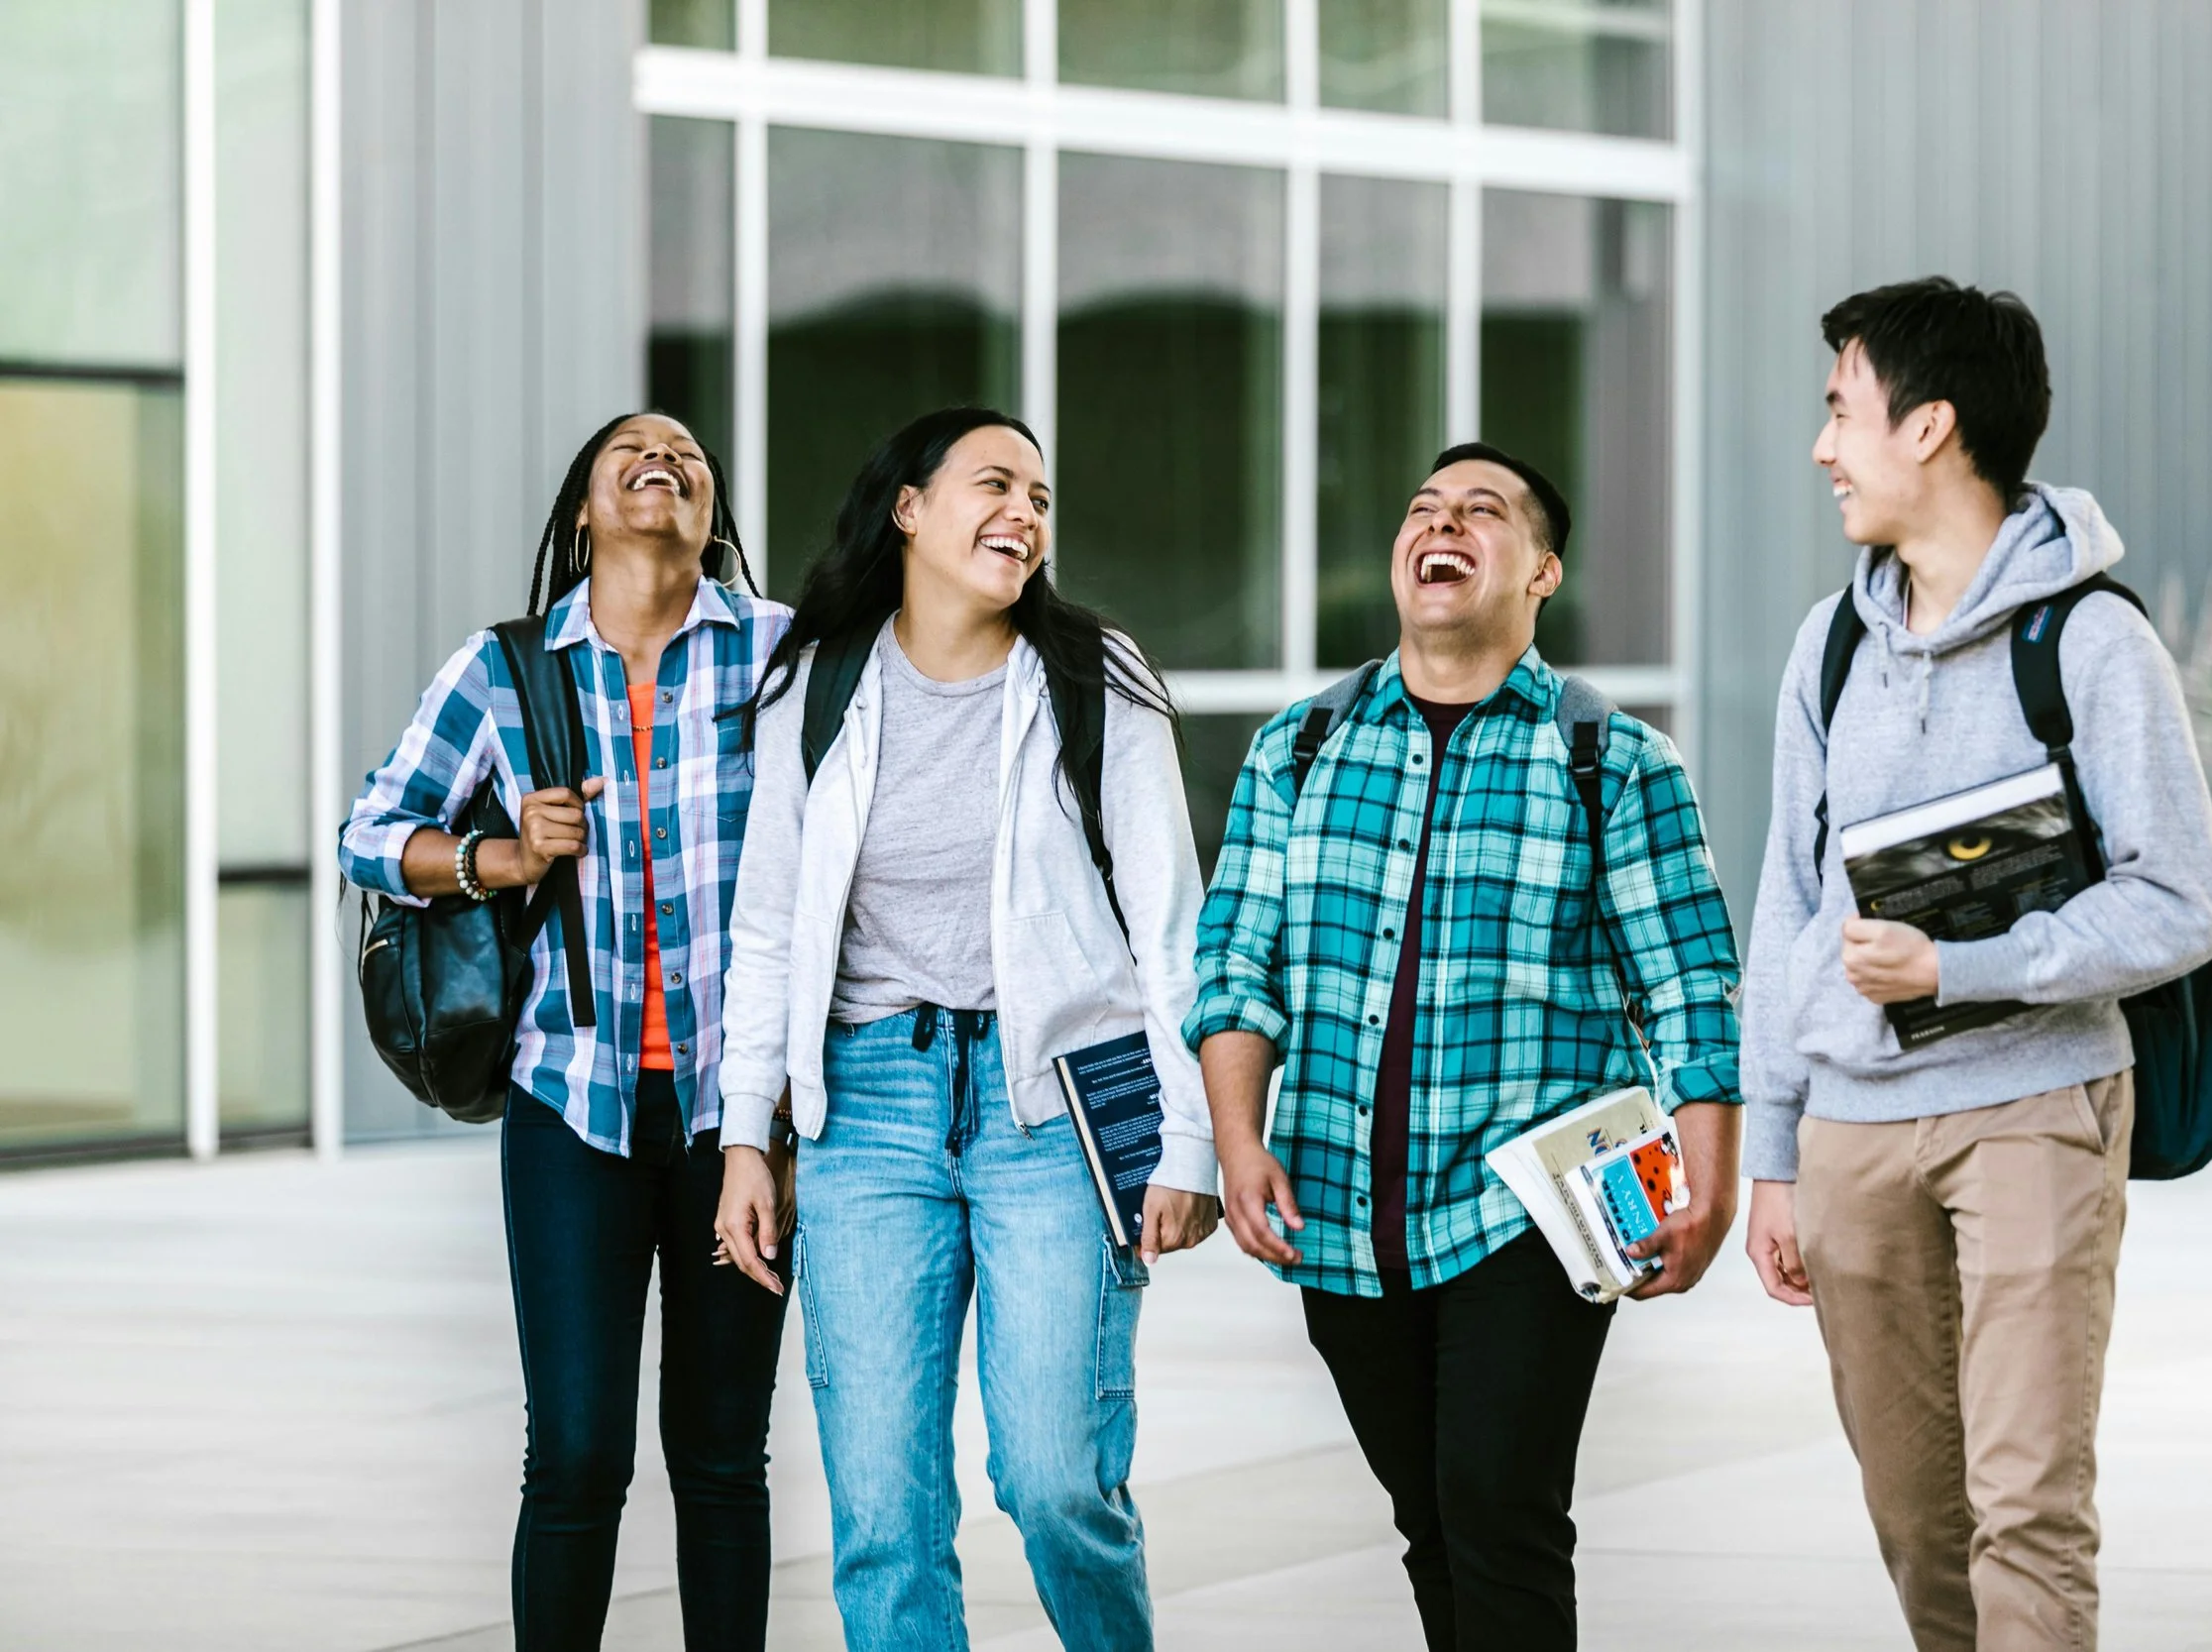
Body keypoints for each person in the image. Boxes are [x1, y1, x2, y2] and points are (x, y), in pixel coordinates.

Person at [1187, 443, 1743, 1651]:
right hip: (1341, 1209)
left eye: (1480, 511)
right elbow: (1236, 961)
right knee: (1431, 1517)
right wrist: (1238, 1139)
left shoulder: (1614, 760)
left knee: (1501, 1505)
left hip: (1536, 1208)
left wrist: (1709, 1186)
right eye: (1423, 508)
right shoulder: (1298, 746)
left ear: (1540, 569)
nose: (1441, 524)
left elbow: (1693, 987)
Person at [1738, 278, 2212, 1651]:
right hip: (1848, 1131)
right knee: (1916, 1511)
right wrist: (1776, 1144)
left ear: (1931, 424)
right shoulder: (1828, 644)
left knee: (2027, 1501)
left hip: (2037, 1109)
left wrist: (1962, 968)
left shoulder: (2092, 639)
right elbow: (1788, 898)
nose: (1825, 445)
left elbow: (2181, 902)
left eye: (1843, 410)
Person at [711, 406, 1220, 1652]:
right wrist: (742, 1134)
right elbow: (768, 926)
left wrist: (1191, 1136)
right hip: (868, 1106)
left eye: (1041, 497)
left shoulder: (1095, 675)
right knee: (884, 1511)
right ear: (909, 509)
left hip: (1056, 1105)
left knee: (1055, 1481)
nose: (1025, 514)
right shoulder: (817, 683)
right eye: (995, 484)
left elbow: (1169, 925)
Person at [340, 412, 795, 1650]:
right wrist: (497, 852)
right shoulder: (506, 669)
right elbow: (371, 831)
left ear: (711, 513)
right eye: (632, 452)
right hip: (569, 1106)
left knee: (719, 1457)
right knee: (578, 1454)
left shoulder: (780, 654)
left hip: (738, 1119)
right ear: (583, 512)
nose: (666, 459)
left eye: (689, 456)